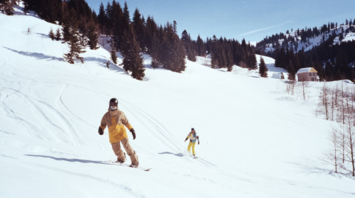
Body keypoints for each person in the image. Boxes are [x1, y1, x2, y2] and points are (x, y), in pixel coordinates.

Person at [98, 98, 139, 168]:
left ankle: (135, 162)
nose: (113, 106)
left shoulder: (120, 113)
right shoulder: (106, 115)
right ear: (109, 105)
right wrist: (101, 129)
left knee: (127, 147)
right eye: (112, 105)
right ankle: (121, 159)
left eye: (115, 105)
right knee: (116, 150)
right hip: (112, 135)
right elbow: (103, 124)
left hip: (121, 133)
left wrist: (132, 130)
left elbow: (126, 123)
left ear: (117, 105)